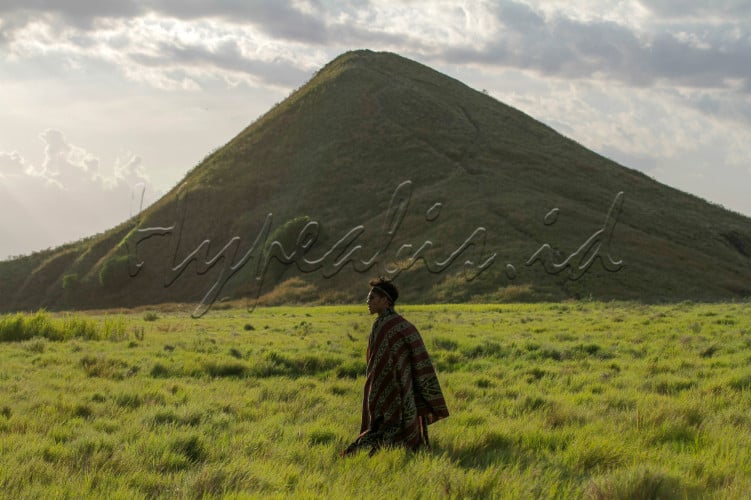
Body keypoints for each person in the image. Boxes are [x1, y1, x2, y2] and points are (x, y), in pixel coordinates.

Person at [341, 277, 449, 456]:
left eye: (372, 298)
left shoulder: (386, 326)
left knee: (383, 427)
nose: (367, 302)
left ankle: (389, 449)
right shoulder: (401, 325)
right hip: (403, 384)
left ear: (385, 301)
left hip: (393, 383)